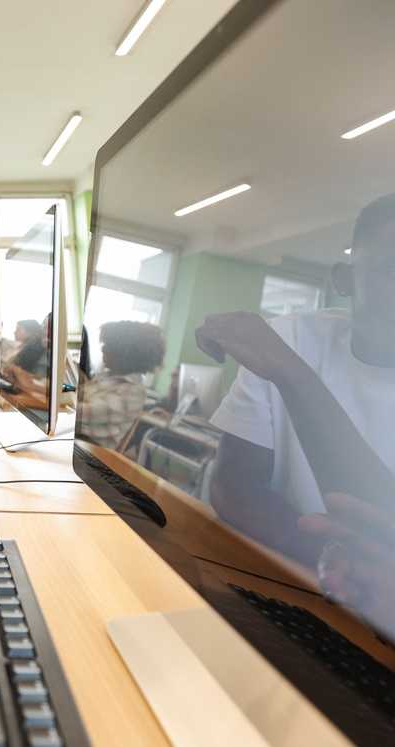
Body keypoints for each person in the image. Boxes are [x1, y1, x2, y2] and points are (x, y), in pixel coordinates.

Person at [202, 194, 395, 579]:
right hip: (282, 573)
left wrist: (294, 376)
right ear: (344, 280)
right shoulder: (289, 339)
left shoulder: (283, 356)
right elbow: (232, 485)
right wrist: (331, 563)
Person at [76, 321, 165, 450]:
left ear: (126, 354)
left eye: (109, 345)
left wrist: (58, 403)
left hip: (90, 449)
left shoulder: (133, 391)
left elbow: (88, 413)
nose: (102, 348)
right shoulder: (104, 376)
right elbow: (77, 393)